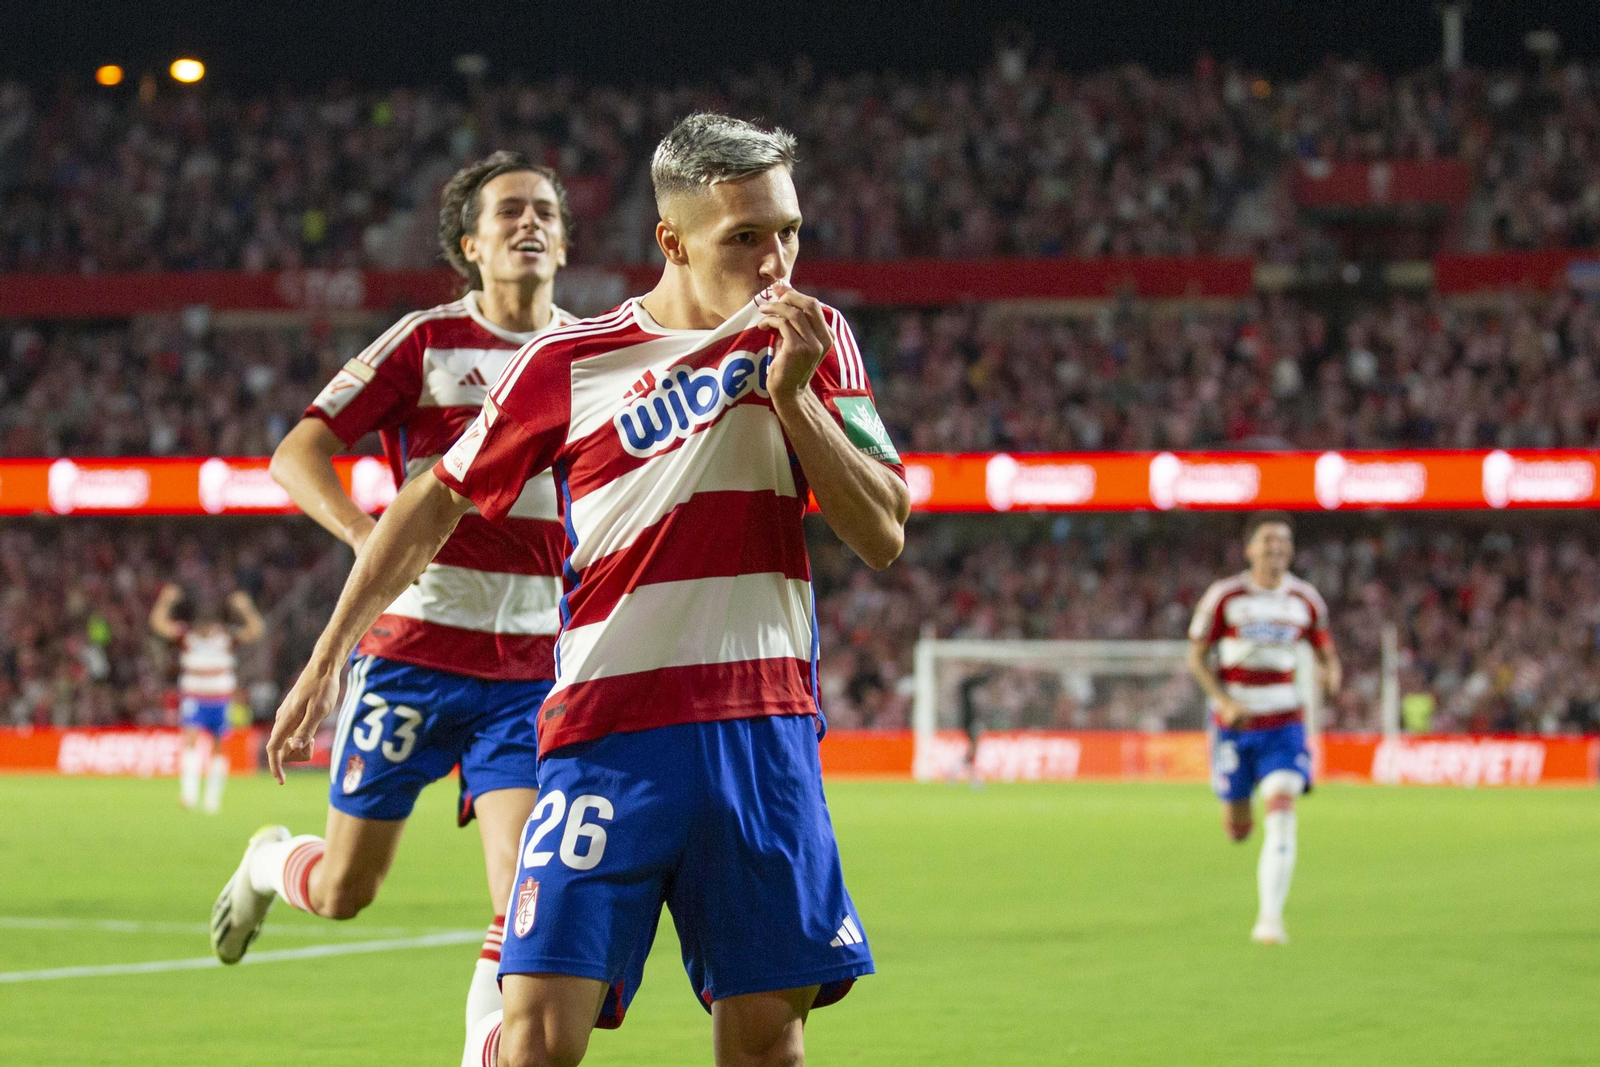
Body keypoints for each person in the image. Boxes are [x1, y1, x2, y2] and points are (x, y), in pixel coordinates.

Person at [260, 112, 908, 1067]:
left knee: (767, 1045)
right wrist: (326, 659)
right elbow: (428, 506)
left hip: (762, 738)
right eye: (746, 238)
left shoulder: (820, 340)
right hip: (606, 739)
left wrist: (796, 395)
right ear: (673, 240)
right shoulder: (567, 364)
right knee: (534, 1046)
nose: (776, 262)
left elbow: (883, 530)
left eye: (789, 231)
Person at [208, 151, 576, 1059]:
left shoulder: (587, 350)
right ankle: (267, 859)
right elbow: (297, 451)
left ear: (563, 242)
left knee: (521, 891)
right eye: (509, 213)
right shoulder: (423, 341)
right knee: (345, 889)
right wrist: (366, 536)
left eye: (544, 212)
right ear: (470, 245)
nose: (529, 224)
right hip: (413, 653)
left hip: (532, 667)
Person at [1186, 510, 1341, 946]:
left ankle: (1270, 920)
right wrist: (1223, 699)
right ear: (1250, 548)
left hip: (1285, 722)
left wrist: (1332, 671)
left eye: (1284, 543)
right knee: (1238, 828)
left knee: (1282, 811)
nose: (1277, 550)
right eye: (1268, 541)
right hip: (1236, 724)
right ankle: (1239, 811)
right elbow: (1196, 656)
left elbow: (1326, 649)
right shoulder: (1226, 596)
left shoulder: (1305, 599)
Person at [148, 584, 264, 813]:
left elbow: (257, 631)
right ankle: (189, 795)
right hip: (194, 697)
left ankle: (212, 800)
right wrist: (166, 601)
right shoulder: (187, 635)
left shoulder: (226, 637)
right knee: (190, 741)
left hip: (220, 700)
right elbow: (158, 625)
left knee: (219, 748)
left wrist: (246, 608)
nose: (204, 629)